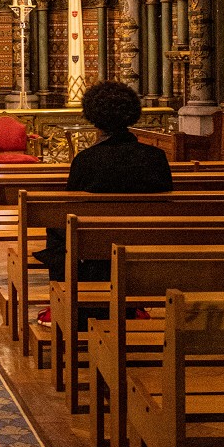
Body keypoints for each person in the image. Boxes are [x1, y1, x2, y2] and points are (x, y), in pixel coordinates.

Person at [34, 80, 172, 323]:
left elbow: (71, 208)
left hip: (94, 253)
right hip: (141, 248)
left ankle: (69, 299)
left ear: (93, 117)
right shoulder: (156, 157)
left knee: (57, 232)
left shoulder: (86, 160)